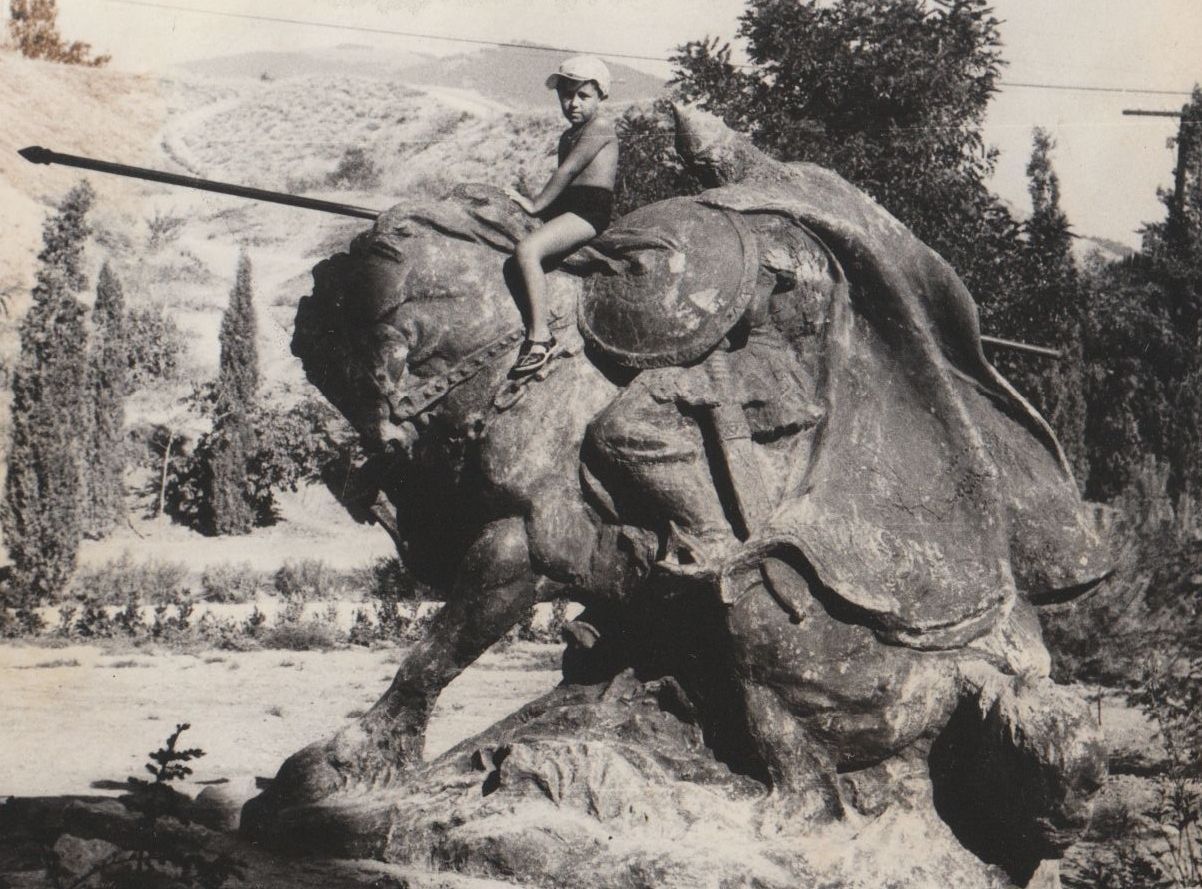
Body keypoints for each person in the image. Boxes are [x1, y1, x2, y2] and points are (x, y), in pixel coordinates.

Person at [505, 55, 618, 376]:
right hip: (570, 207)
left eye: (583, 95)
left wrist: (535, 206)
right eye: (566, 95)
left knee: (528, 250)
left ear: (601, 96)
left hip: (589, 212)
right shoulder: (567, 136)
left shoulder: (600, 127)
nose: (573, 103)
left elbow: (567, 172)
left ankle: (541, 339)